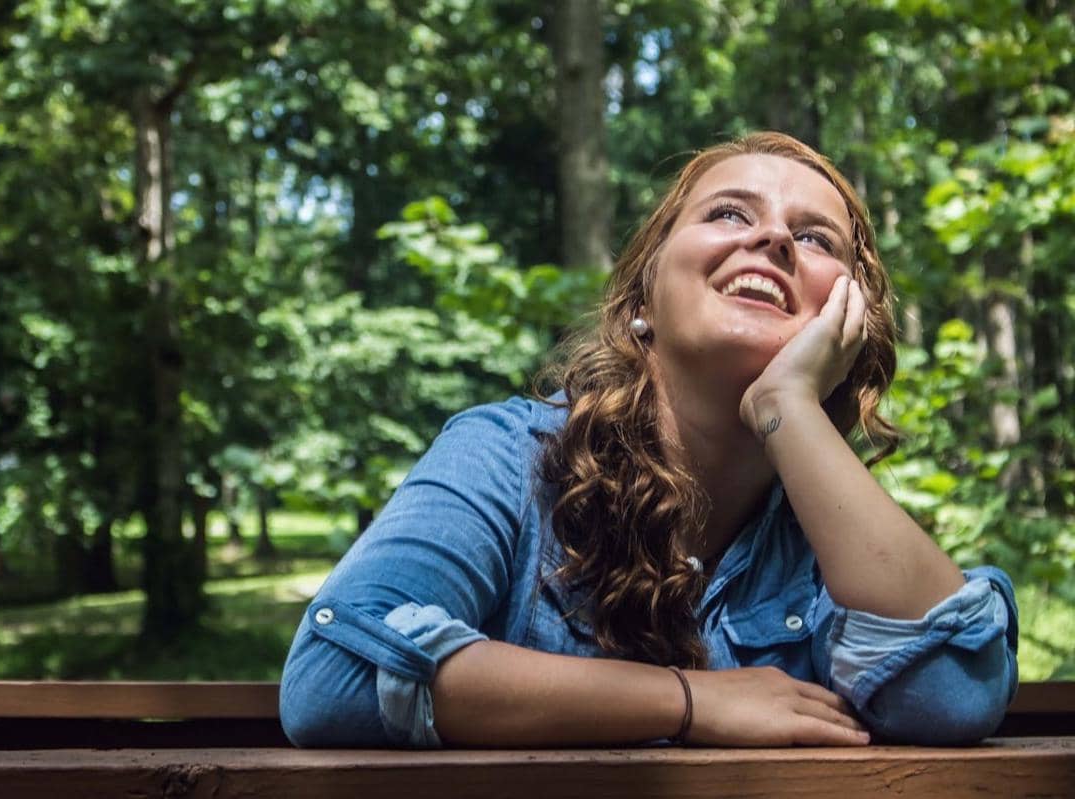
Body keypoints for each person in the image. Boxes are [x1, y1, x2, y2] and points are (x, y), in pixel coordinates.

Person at [279, 131, 1018, 748]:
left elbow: (952, 695)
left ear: (849, 320)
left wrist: (787, 405)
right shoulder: (507, 455)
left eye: (813, 237)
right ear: (644, 297)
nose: (771, 238)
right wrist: (688, 701)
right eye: (728, 213)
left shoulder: (834, 542)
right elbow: (334, 676)